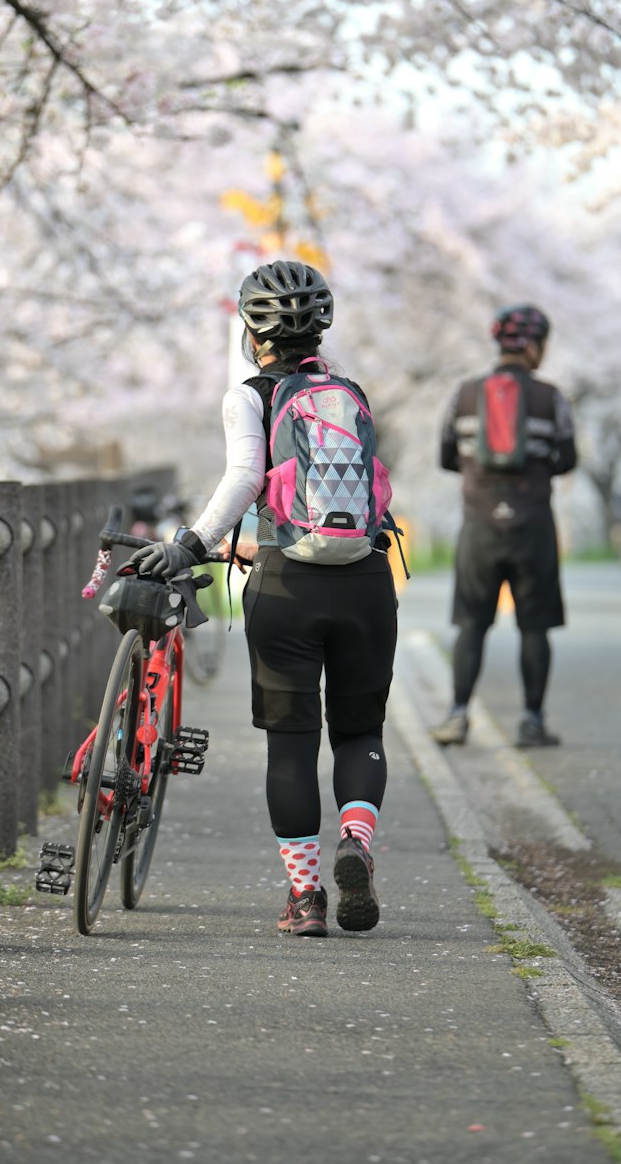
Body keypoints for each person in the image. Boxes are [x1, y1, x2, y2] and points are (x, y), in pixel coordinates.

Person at [133, 259, 398, 938]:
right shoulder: (349, 391)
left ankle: (307, 896)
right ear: (321, 327)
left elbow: (248, 476)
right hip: (367, 579)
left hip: (286, 585)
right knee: (359, 730)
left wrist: (192, 543)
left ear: (254, 335)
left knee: (291, 742)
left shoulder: (247, 394)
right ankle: (357, 841)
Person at [431, 303, 577, 750]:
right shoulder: (551, 397)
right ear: (532, 347)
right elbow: (567, 459)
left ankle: (457, 717)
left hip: (479, 528)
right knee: (535, 628)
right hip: (533, 526)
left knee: (472, 625)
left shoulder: (465, 393)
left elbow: (446, 456)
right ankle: (532, 722)